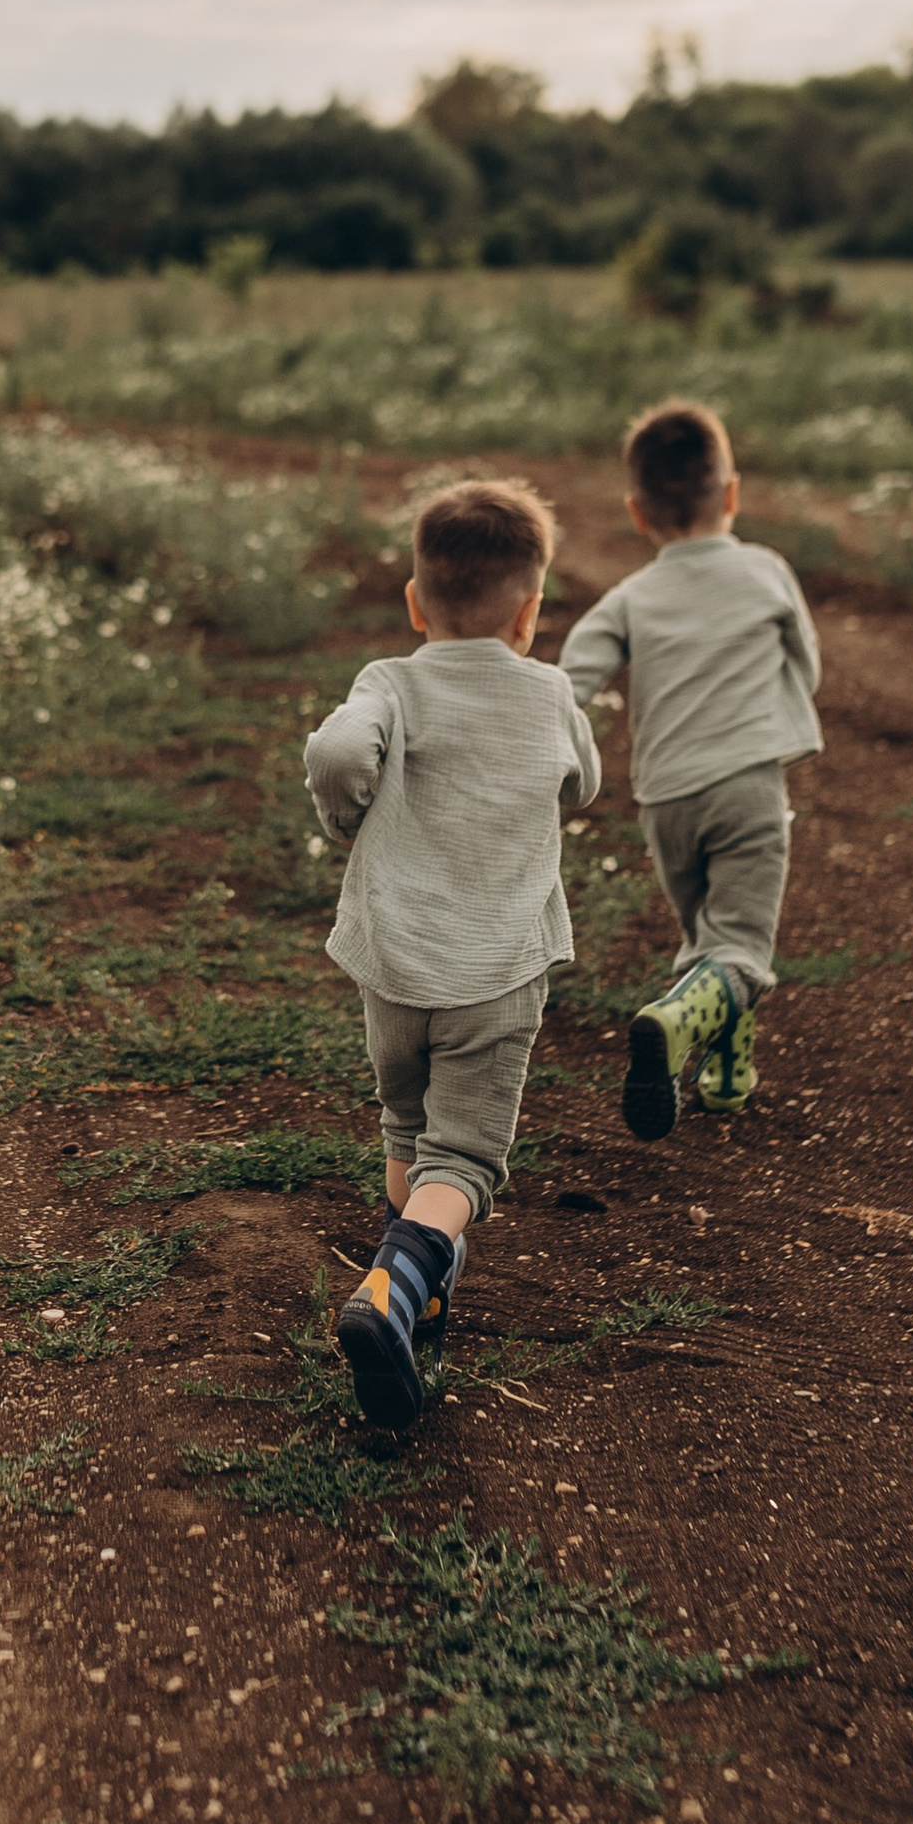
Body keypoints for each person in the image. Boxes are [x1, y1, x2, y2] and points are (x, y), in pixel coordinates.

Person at [303, 476, 600, 1436]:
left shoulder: (389, 680)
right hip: (498, 968)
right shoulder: (550, 691)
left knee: (405, 1118)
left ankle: (422, 1303)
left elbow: (341, 753)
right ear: (532, 612)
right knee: (465, 1157)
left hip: (395, 961)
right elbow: (585, 784)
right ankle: (394, 1286)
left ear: (415, 603)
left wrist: (349, 813)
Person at [558, 398, 822, 1143]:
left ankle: (727, 1075)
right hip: (747, 786)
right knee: (738, 945)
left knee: (710, 933)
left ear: (638, 513)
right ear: (731, 494)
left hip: (665, 800)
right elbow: (808, 667)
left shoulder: (630, 597)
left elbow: (569, 681)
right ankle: (675, 1026)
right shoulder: (767, 572)